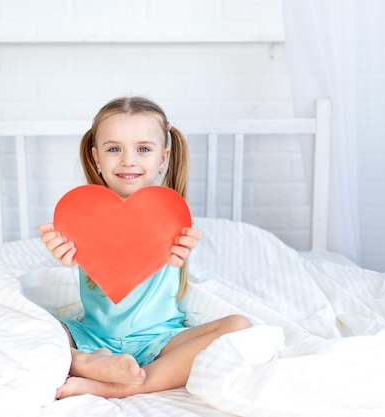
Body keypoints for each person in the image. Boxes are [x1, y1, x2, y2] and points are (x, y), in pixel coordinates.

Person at [37, 96, 251, 399]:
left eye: (143, 149)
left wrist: (177, 254)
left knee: (238, 325)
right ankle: (85, 362)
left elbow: (166, 257)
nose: (128, 160)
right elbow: (90, 258)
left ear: (162, 158)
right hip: (94, 337)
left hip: (161, 339)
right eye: (114, 149)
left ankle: (121, 385)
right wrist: (66, 252)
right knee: (28, 321)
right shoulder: (82, 216)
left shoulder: (172, 217)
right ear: (96, 158)